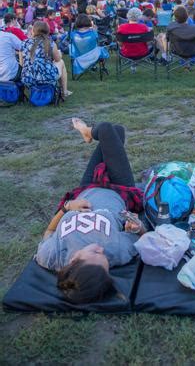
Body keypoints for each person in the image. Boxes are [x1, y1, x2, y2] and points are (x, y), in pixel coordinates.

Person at [35, 119, 146, 304]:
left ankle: (87, 133)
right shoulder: (115, 252)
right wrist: (137, 227)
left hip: (86, 188)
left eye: (96, 254)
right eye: (105, 261)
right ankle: (88, 132)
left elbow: (49, 232)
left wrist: (67, 207)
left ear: (74, 260)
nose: (102, 250)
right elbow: (143, 237)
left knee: (112, 131)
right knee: (110, 130)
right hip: (119, 189)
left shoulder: (51, 256)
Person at [19, 21, 72, 97]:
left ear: (33, 30)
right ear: (47, 31)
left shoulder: (24, 43)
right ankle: (64, 91)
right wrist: (59, 54)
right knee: (61, 61)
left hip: (27, 79)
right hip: (47, 78)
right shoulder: (50, 43)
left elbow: (22, 64)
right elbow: (57, 60)